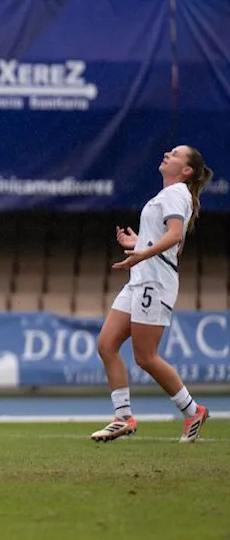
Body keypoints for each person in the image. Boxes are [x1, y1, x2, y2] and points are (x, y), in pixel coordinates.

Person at [91, 145, 213, 443]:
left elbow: (175, 237)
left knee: (145, 357)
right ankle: (122, 418)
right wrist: (139, 242)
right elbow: (171, 242)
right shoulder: (168, 195)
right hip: (140, 279)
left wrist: (141, 252)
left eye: (174, 154)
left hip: (154, 282)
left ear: (186, 170)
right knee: (106, 345)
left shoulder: (176, 193)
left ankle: (193, 409)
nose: (166, 155)